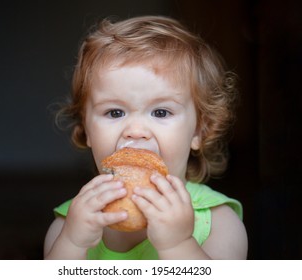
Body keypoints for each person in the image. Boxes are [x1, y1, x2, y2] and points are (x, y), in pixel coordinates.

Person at [44, 15, 248, 260]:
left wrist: (178, 245)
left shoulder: (218, 221)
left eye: (161, 112)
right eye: (115, 112)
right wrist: (72, 243)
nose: (136, 130)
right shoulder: (69, 225)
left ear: (198, 131)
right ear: (87, 130)